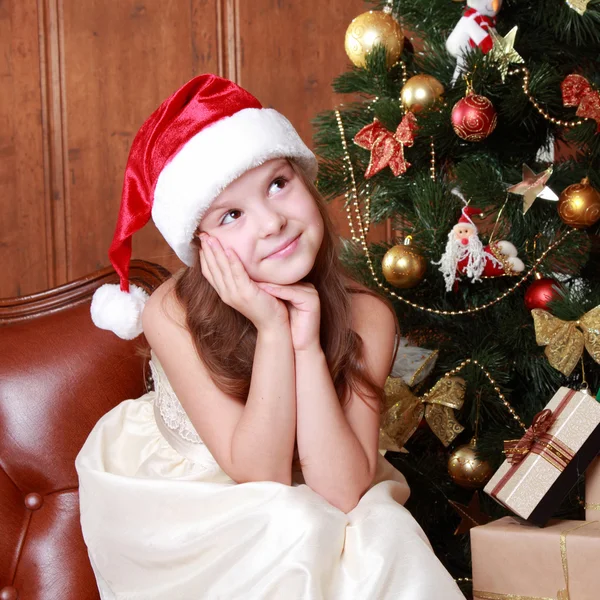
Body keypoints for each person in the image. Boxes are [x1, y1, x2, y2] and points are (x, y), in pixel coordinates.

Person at [76, 74, 464, 599]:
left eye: (279, 184)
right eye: (232, 215)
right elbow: (259, 473)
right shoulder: (173, 311)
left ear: (305, 180)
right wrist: (272, 329)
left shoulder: (366, 315)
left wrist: (306, 342)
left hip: (318, 491)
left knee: (383, 533)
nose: (271, 222)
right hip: (189, 501)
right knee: (292, 525)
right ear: (201, 243)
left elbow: (345, 490)